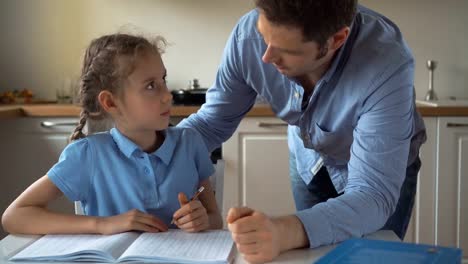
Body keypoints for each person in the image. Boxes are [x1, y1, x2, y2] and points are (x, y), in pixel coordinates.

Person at [178, 0, 426, 262]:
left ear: (336, 39)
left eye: (286, 49)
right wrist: (152, 147)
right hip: (309, 158)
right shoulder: (248, 36)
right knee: (312, 257)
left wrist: (283, 231)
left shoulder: (386, 62)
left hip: (381, 169)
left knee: (371, 258)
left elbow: (372, 194)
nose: (266, 57)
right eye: (264, 36)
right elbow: (212, 121)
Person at [1, 33, 222, 235]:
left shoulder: (189, 142)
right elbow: (15, 216)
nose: (167, 96)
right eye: (150, 86)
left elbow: (215, 218)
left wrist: (204, 219)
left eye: (163, 80)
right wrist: (103, 224)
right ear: (110, 102)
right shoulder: (88, 154)